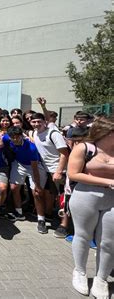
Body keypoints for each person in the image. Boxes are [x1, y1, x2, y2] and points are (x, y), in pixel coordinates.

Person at [67, 116, 114, 298]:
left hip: (112, 199)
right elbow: (73, 174)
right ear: (106, 133)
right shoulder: (84, 148)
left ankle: (101, 279)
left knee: (109, 241)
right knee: (83, 235)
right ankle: (79, 271)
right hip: (86, 196)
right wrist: (108, 181)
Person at [30, 113, 70, 238]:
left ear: (44, 122)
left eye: (39, 121)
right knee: (37, 193)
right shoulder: (34, 133)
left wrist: (58, 171)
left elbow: (64, 153)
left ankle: (65, 225)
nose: (36, 124)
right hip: (41, 168)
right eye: (34, 121)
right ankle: (41, 220)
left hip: (56, 170)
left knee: (63, 198)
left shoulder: (53, 134)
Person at [4, 126, 49, 233]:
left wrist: (37, 185)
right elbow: (1, 138)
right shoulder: (6, 138)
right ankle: (19, 213)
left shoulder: (31, 148)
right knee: (14, 187)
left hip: (34, 166)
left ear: (21, 136)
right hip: (19, 163)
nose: (14, 139)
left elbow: (34, 169)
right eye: (12, 137)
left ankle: (41, 220)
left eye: (17, 137)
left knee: (37, 193)